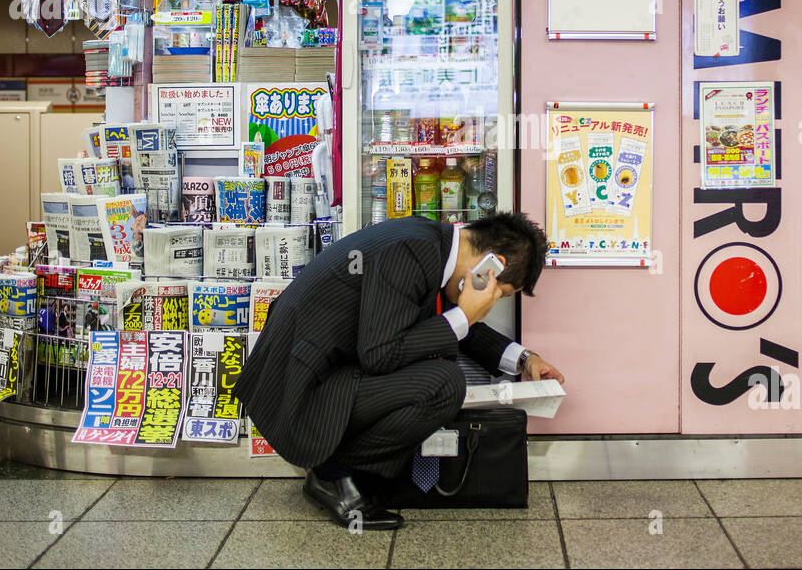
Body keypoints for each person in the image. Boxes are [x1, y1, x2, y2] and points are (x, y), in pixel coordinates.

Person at [234, 212, 564, 530]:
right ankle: (333, 474)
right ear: (490, 269)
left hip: (319, 373)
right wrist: (463, 316)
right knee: (443, 384)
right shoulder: (410, 250)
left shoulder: (431, 244)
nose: (492, 302)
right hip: (297, 391)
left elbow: (454, 322)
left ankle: (341, 472)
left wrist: (524, 359)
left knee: (440, 360)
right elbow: (381, 354)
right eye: (501, 293)